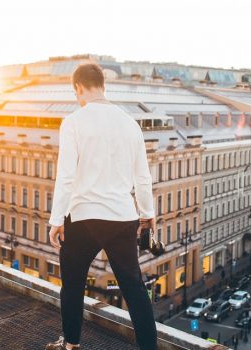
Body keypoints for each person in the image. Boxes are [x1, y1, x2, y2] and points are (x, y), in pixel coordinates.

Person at [46, 63, 158, 350]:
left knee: (72, 285)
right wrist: (148, 216)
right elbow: (142, 178)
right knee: (134, 288)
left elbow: (66, 175)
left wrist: (56, 219)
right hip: (123, 217)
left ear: (78, 88)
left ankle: (71, 345)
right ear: (103, 86)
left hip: (83, 217)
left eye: (76, 93)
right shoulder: (130, 123)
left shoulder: (74, 122)